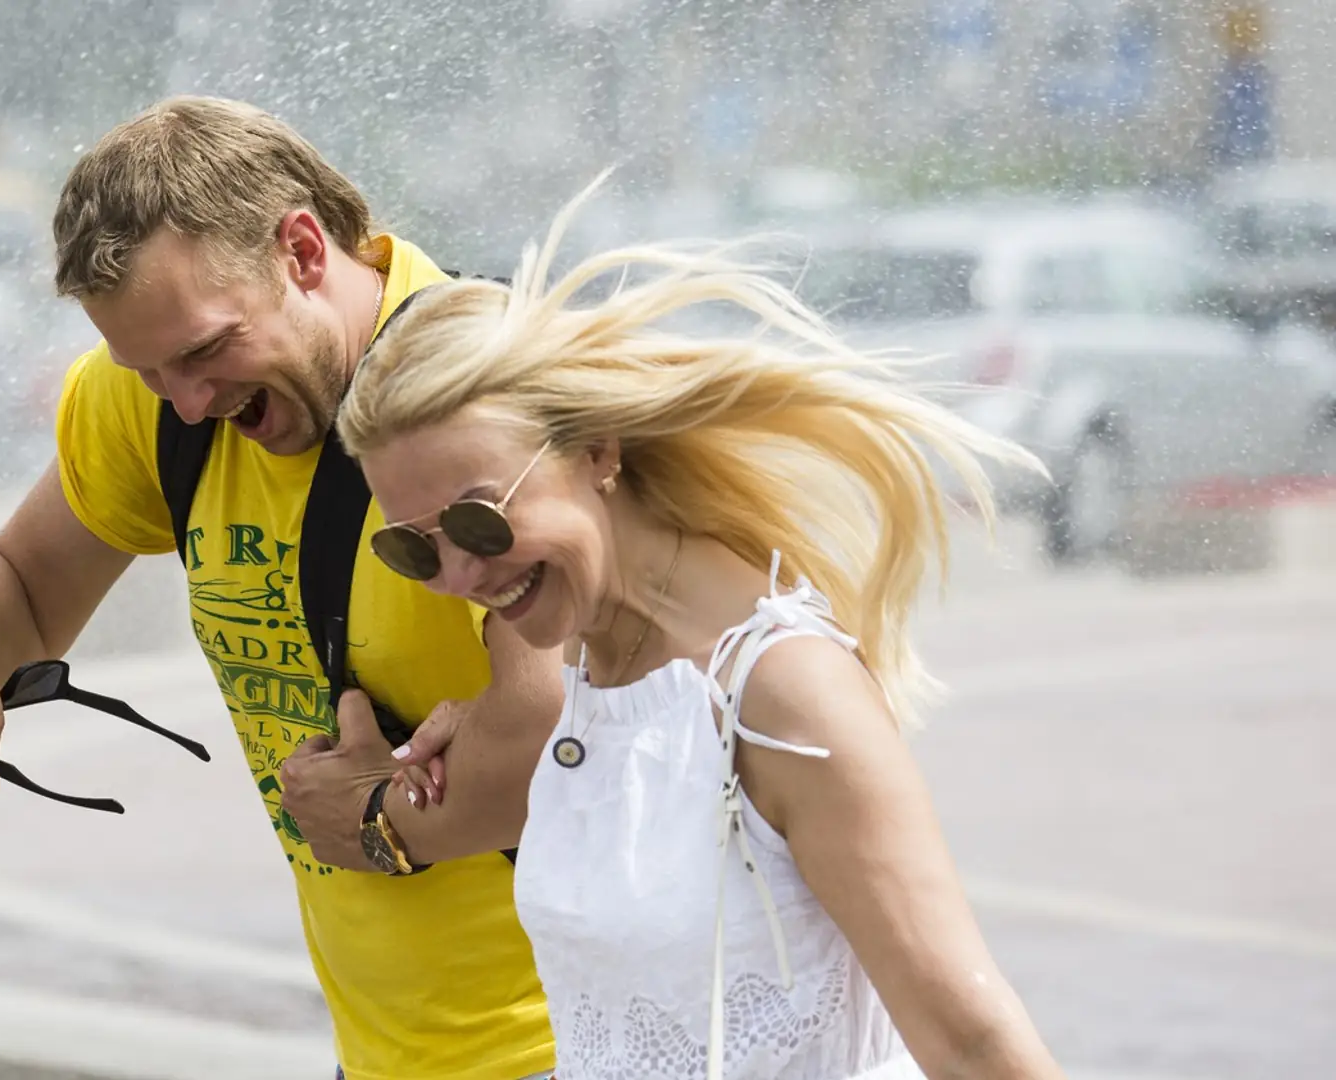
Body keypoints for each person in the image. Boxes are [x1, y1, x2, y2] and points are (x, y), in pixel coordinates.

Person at [0, 95, 562, 1080]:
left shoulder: (479, 390)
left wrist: (376, 823)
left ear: (303, 253)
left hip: (585, 1039)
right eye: (148, 374)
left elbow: (561, 754)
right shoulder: (159, 398)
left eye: (204, 352)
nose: (191, 403)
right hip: (387, 1053)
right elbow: (22, 591)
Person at [334, 178, 1067, 1080]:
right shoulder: (595, 664)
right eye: (414, 551)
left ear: (598, 450)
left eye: (482, 521)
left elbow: (973, 1042)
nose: (461, 577)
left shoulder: (782, 691)